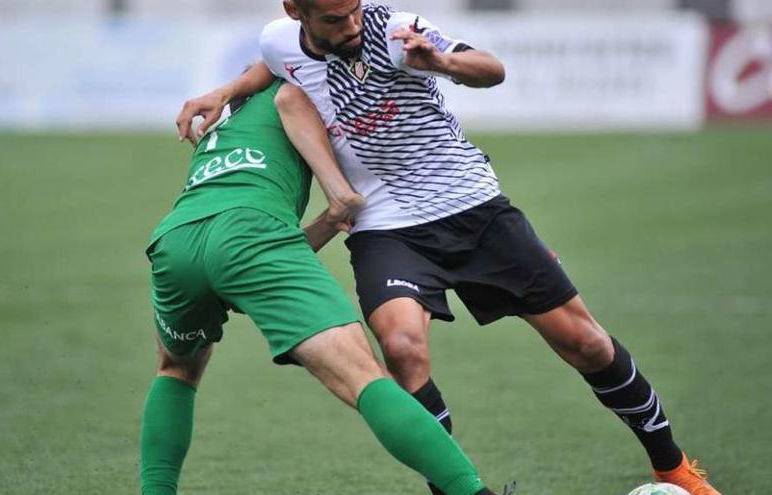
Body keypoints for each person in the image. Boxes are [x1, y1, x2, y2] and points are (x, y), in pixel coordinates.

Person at [174, 2, 722, 494]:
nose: (352, 25)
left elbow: (492, 68)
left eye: (354, 11)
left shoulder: (393, 29)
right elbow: (275, 64)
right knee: (403, 348)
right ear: (297, 13)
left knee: (585, 344)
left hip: (471, 206)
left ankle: (672, 468)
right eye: (335, 20)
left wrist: (443, 64)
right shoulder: (279, 37)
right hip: (384, 223)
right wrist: (227, 91)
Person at [141, 79, 503, 495]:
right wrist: (341, 192)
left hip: (177, 241)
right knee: (365, 378)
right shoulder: (290, 87)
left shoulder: (228, 122)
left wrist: (331, 221)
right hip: (250, 233)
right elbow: (255, 245)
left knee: (177, 368)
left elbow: (267, 248)